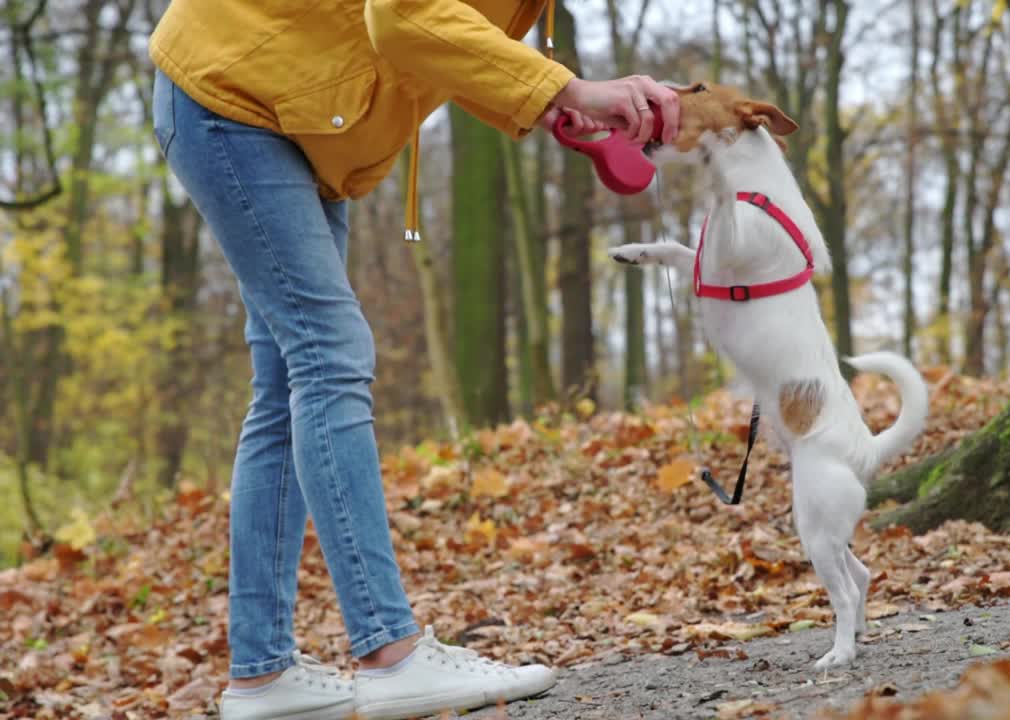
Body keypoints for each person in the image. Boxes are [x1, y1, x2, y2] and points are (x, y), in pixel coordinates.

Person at [146, 0, 679, 718]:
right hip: (237, 95)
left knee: (285, 384)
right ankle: (388, 651)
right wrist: (568, 88)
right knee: (330, 354)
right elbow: (402, 14)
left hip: (291, 112)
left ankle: (262, 674)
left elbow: (443, 39)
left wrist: (550, 95)